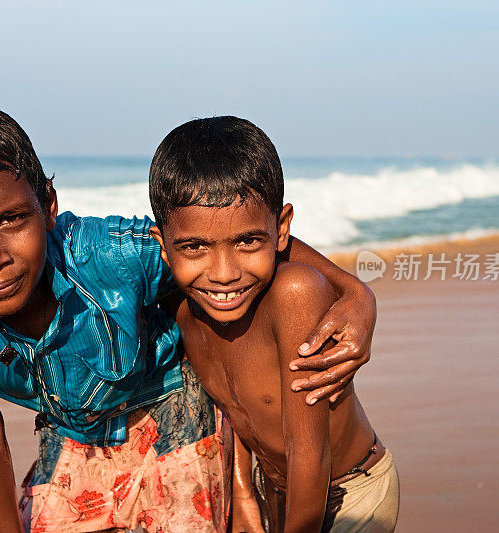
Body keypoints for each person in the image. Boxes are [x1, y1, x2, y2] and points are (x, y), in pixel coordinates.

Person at [0, 100, 378, 532]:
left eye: (11, 220)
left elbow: (226, 235)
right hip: (71, 431)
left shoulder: (110, 256)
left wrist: (355, 293)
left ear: (49, 207)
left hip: (172, 406)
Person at [148, 116, 400, 532]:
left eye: (248, 242)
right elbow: (235, 408)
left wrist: (357, 291)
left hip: (349, 494)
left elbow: (309, 453)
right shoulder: (182, 309)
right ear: (163, 246)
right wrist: (244, 491)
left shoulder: (294, 293)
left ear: (281, 229)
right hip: (275, 493)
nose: (224, 274)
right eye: (195, 247)